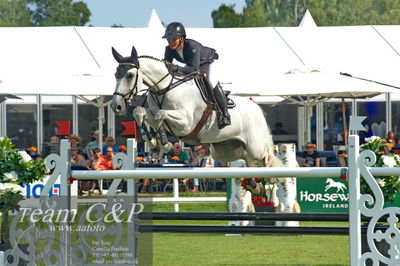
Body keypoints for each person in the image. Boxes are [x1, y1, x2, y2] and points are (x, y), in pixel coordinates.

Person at [162, 21, 231, 129]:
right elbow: (166, 68)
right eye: (168, 39)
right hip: (193, 65)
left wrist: (176, 68)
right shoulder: (168, 50)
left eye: (173, 39)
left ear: (181, 38)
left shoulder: (192, 46)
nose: (171, 42)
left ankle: (225, 115)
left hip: (208, 61)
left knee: (211, 83)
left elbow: (194, 69)